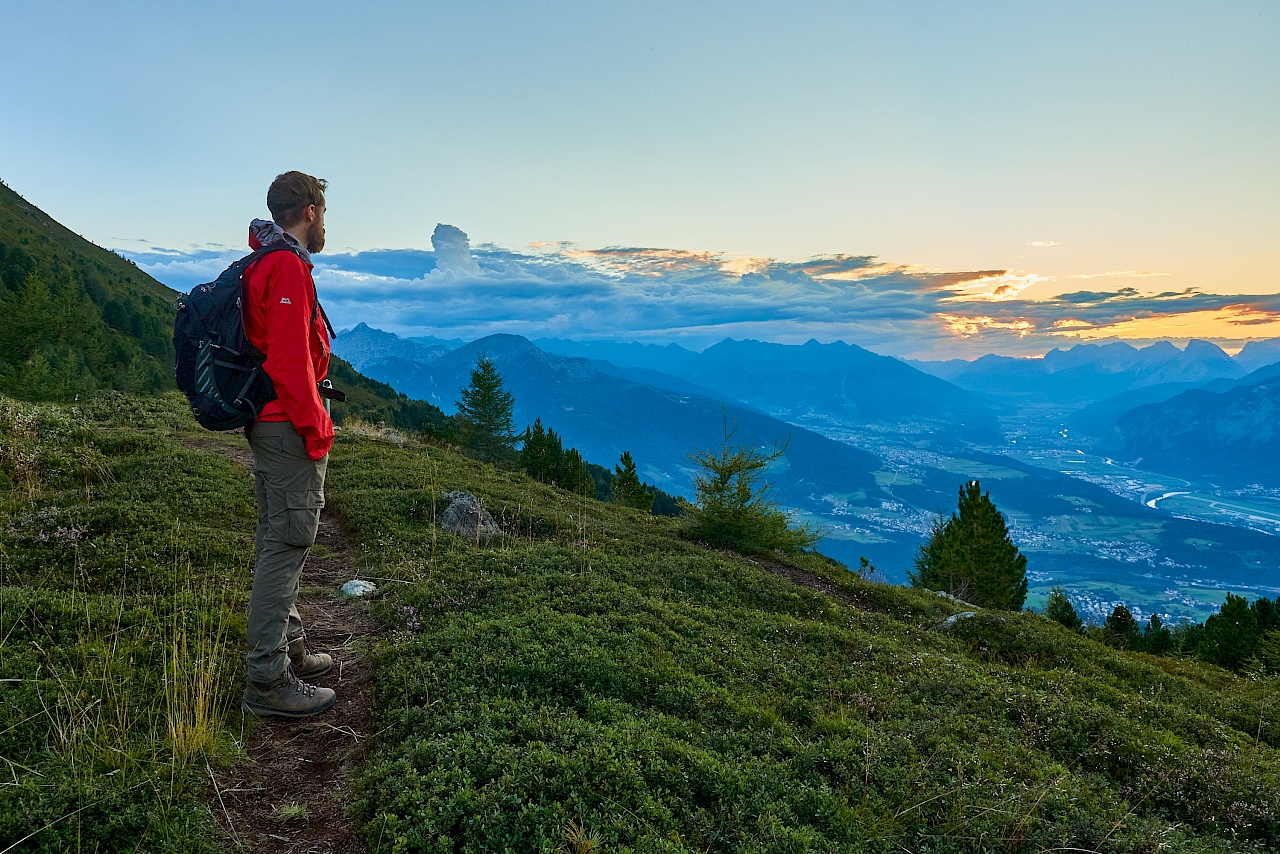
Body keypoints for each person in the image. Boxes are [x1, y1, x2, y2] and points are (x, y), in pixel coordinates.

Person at [239, 171, 338, 718]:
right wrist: (317, 427)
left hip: (272, 422)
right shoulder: (285, 267)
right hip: (286, 425)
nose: (325, 223)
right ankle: (268, 681)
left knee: (276, 534)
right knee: (288, 540)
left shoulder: (268, 261)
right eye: (324, 211)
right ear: (310, 211)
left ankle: (290, 648)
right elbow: (288, 363)